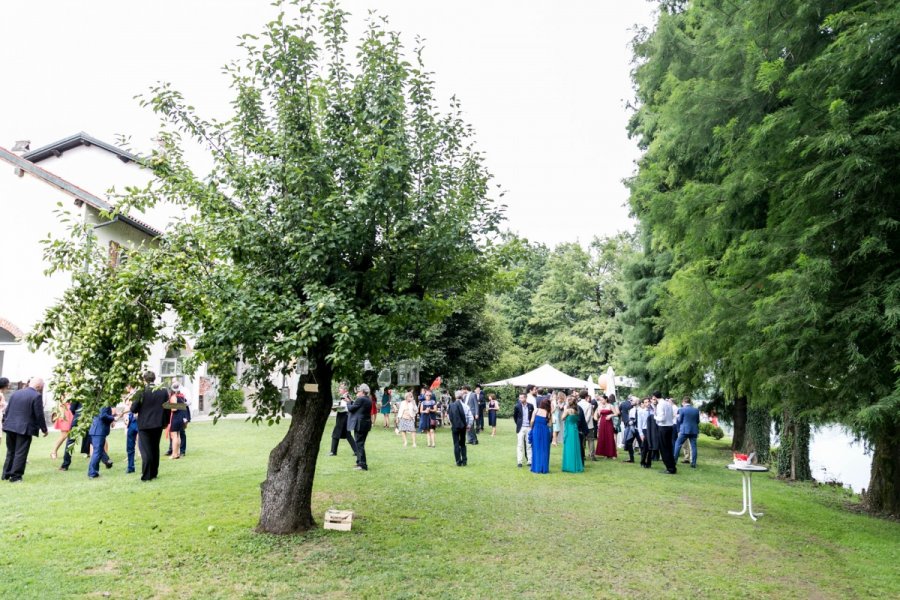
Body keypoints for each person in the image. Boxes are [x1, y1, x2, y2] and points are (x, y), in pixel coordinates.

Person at [2, 377, 48, 482]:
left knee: (11, 451)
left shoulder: (16, 393)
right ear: (39, 386)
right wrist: (44, 429)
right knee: (21, 452)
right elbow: (39, 415)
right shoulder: (36, 396)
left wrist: (6, 423)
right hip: (24, 429)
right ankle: (16, 476)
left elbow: (8, 410)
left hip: (10, 426)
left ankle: (6, 474)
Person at [131, 371, 169, 482]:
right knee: (154, 448)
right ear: (154, 378)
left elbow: (134, 408)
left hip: (145, 424)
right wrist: (165, 422)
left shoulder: (141, 391)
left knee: (146, 450)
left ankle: (146, 475)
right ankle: (154, 472)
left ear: (144, 380)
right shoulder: (162, 390)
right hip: (158, 424)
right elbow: (167, 407)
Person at [347, 384, 373, 470]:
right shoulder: (368, 399)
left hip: (360, 425)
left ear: (362, 391)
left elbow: (351, 408)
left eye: (358, 391)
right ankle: (359, 463)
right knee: (360, 444)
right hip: (365, 424)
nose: (357, 392)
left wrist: (348, 402)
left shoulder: (360, 399)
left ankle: (363, 465)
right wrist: (351, 401)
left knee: (359, 444)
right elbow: (357, 407)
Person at [329, 385, 358, 457]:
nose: (339, 389)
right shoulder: (344, 396)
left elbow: (347, 407)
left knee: (336, 434)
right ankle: (356, 451)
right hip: (342, 416)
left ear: (345, 390)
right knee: (347, 435)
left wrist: (337, 408)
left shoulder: (346, 396)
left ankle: (333, 452)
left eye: (340, 388)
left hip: (344, 417)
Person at [87, 405, 116, 478]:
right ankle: (92, 473)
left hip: (95, 430)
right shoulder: (105, 402)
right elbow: (103, 416)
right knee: (97, 452)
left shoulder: (98, 400)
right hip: (99, 431)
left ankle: (106, 461)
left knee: (99, 450)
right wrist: (113, 418)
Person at [654, 390, 677, 474]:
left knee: (664, 448)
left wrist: (655, 417)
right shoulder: (668, 403)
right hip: (670, 426)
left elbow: (662, 418)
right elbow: (671, 415)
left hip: (663, 427)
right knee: (669, 447)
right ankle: (672, 466)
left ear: (655, 397)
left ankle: (669, 468)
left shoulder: (660, 404)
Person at [673, 396, 700, 469]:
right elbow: (698, 421)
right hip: (694, 430)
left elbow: (680, 420)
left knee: (677, 444)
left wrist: (677, 416)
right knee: (693, 446)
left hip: (684, 430)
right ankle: (693, 463)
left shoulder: (681, 410)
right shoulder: (696, 410)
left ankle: (674, 461)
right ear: (690, 402)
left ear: (684, 402)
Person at [448, 390, 472, 466]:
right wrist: (469, 425)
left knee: (456, 443)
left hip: (455, 426)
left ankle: (458, 461)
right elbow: (470, 417)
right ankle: (464, 461)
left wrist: (452, 423)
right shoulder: (466, 406)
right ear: (462, 397)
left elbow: (449, 417)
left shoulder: (451, 405)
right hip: (463, 426)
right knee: (463, 443)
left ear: (455, 396)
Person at [166, 382, 190, 460]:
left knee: (174, 436)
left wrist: (167, 406)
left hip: (175, 417)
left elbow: (174, 409)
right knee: (178, 435)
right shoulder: (182, 396)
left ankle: (174, 454)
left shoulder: (173, 397)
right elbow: (183, 406)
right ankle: (178, 452)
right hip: (181, 417)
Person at [529, 398, 552, 474]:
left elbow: (532, 421)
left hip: (536, 430)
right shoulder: (548, 413)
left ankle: (536, 468)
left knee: (536, 448)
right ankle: (543, 468)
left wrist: (532, 428)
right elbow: (550, 424)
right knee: (544, 449)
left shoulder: (536, 410)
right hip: (545, 431)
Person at [561, 398, 583, 473]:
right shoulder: (577, 411)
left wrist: (565, 410)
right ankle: (576, 465)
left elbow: (562, 418)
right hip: (575, 429)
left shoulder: (568, 410)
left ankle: (569, 466)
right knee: (575, 447)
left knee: (569, 447)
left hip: (569, 430)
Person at [594, 394, 619, 459]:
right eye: (600, 400)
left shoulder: (610, 406)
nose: (601, 401)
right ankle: (605, 453)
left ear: (606, 399)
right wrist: (597, 415)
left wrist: (611, 415)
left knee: (610, 437)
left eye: (602, 400)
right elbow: (598, 415)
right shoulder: (599, 406)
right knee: (603, 437)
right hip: (602, 422)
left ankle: (612, 454)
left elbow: (616, 413)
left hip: (609, 422)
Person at [513, 393, 532, 468]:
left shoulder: (531, 406)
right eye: (519, 398)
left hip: (529, 427)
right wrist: (518, 424)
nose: (520, 399)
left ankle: (529, 461)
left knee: (529, 445)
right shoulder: (517, 406)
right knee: (520, 445)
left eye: (522, 398)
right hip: (521, 428)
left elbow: (532, 416)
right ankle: (519, 462)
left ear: (525, 398)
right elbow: (515, 417)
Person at [577, 392, 596, 460]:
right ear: (586, 396)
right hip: (589, 425)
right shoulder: (589, 405)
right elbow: (588, 416)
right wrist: (585, 423)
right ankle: (592, 455)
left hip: (580, 425)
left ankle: (583, 455)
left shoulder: (577, 404)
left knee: (582, 440)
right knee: (591, 440)